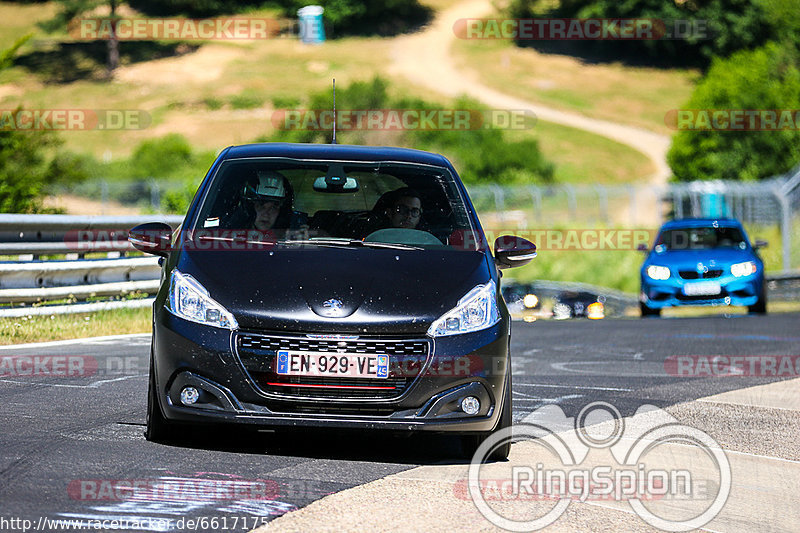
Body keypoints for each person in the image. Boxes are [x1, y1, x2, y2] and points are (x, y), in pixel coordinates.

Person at [240, 170, 307, 232]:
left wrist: (300, 243)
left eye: (273, 208)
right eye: (261, 206)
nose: (266, 214)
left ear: (281, 212)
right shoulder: (232, 233)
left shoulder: (288, 237)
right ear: (249, 208)